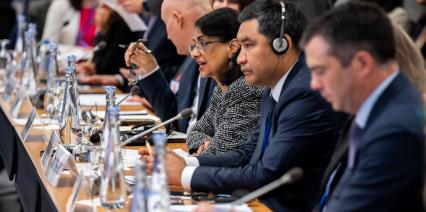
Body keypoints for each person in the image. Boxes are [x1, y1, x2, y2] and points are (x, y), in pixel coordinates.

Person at [140, 0, 346, 210]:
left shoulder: (304, 93)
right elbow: (247, 154)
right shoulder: (274, 84)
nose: (240, 58)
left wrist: (184, 174)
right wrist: (188, 163)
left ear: (281, 44)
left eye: (248, 45)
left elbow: (265, 174)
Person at [302, 2, 425, 211]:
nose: (314, 84)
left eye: (320, 71)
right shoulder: (379, 106)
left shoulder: (394, 131)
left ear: (362, 63)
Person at [124, 0, 215, 132]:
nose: (167, 36)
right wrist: (150, 69)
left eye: (166, 23)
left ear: (178, 19)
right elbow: (176, 119)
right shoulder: (189, 61)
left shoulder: (220, 62)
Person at [186, 8, 263, 155]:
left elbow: (220, 155)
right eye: (195, 45)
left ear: (232, 47)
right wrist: (205, 142)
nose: (195, 53)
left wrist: (210, 147)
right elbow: (196, 131)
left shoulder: (246, 90)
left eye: (203, 43)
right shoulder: (221, 90)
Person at [77, 1, 140, 89]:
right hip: (108, 84)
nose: (98, 9)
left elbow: (106, 68)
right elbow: (98, 61)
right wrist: (91, 67)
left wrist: (100, 30)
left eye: (104, 6)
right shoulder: (110, 22)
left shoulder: (123, 25)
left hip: (118, 87)